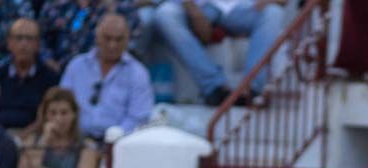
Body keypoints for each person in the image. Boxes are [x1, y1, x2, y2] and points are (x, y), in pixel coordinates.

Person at [154, 0, 286, 106]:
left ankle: (252, 89)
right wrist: (192, 9)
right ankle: (214, 87)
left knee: (273, 12)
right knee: (165, 14)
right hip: (194, 5)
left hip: (239, 6)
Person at [59, 13, 153, 141]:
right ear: (96, 37)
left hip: (118, 144)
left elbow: (138, 117)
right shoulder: (76, 66)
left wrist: (114, 137)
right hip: (75, 142)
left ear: (128, 39)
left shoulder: (138, 73)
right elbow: (62, 103)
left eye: (118, 39)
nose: (112, 45)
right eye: (107, 38)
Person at [16, 87, 98, 168]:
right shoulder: (33, 140)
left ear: (74, 114)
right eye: (53, 113)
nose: (58, 119)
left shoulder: (86, 145)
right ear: (45, 115)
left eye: (64, 113)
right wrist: (44, 140)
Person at [0, 17, 60, 131]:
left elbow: (51, 116)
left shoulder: (51, 79)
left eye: (29, 39)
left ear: (38, 44)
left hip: (36, 139)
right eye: (18, 38)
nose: (23, 44)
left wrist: (25, 135)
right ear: (9, 43)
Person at [37, 0, 140, 67]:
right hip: (57, 70)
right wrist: (48, 60)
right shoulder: (57, 5)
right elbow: (41, 36)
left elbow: (132, 36)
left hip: (105, 70)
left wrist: (111, 11)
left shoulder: (121, 6)